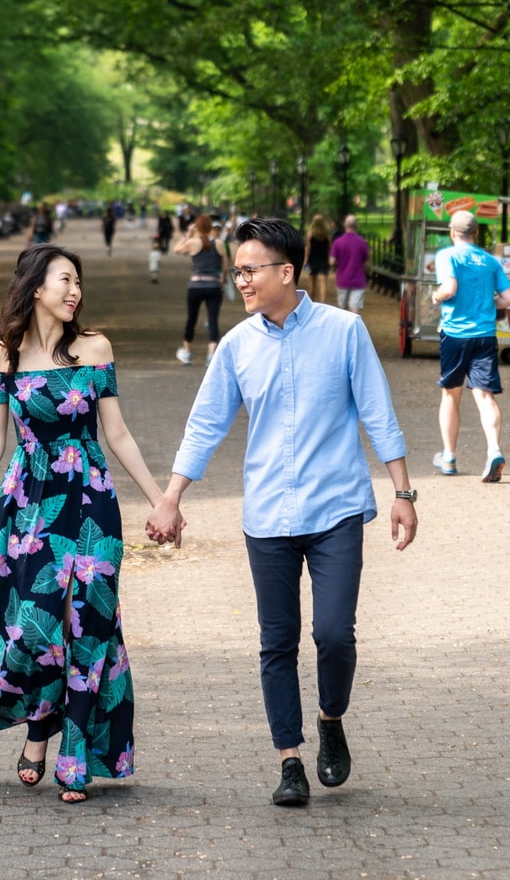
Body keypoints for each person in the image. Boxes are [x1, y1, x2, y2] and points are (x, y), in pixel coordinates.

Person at [146, 218, 417, 809]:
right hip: (267, 514)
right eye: (236, 270)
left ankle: (330, 717)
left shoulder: (344, 331)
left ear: (286, 272)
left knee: (333, 634)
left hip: (337, 507)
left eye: (249, 270)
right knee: (277, 641)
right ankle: (289, 760)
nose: (239, 280)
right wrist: (172, 496)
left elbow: (378, 410)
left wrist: (403, 491)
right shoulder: (237, 347)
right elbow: (207, 424)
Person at [0, 244, 180, 801]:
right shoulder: (3, 356)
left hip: (91, 502)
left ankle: (75, 756)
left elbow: (116, 433)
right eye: (65, 281)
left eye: (78, 282)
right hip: (29, 505)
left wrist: (162, 500)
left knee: (88, 627)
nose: (75, 291)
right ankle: (39, 726)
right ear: (35, 287)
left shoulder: (95, 348)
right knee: (35, 627)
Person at [431, 210, 510, 482]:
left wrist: (436, 295)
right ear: (476, 233)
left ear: (452, 232)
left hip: (455, 335)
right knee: (484, 396)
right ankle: (494, 450)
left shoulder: (447, 256)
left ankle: (449, 457)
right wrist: (489, 303)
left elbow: (450, 288)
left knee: (451, 395)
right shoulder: (490, 261)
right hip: (485, 336)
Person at [172, 212, 228, 365]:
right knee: (213, 320)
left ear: (197, 227)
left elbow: (176, 249)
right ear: (211, 227)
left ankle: (187, 353)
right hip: (214, 286)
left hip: (195, 286)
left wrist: (187, 234)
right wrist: (222, 282)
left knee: (192, 319)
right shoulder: (219, 243)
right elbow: (224, 267)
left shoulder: (192, 242)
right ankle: (211, 356)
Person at [330, 214, 370, 312]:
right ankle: (354, 326)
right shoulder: (362, 242)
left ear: (345, 226)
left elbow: (331, 261)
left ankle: (343, 327)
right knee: (354, 307)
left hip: (342, 279)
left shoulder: (338, 242)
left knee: (342, 309)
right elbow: (367, 264)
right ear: (357, 226)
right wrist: (367, 273)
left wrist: (338, 263)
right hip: (358, 280)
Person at [305, 214, 332, 303]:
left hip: (312, 260)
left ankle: (312, 302)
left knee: (312, 284)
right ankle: (322, 303)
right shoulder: (327, 233)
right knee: (323, 283)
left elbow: (308, 248)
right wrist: (329, 258)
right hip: (324, 259)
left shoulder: (310, 233)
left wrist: (305, 260)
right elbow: (330, 247)